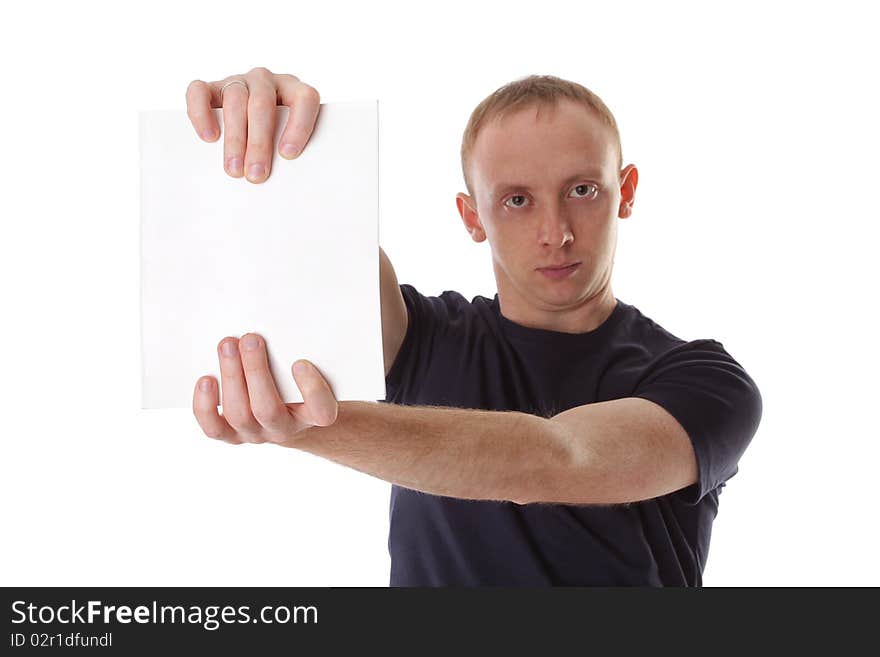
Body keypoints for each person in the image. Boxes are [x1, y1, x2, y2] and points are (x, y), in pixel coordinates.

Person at [186, 66, 763, 586]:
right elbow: (323, 234)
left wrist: (300, 426)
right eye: (517, 200)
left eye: (582, 190)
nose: (555, 231)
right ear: (472, 218)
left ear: (625, 193)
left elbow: (558, 458)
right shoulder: (422, 336)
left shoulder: (706, 382)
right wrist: (274, 134)